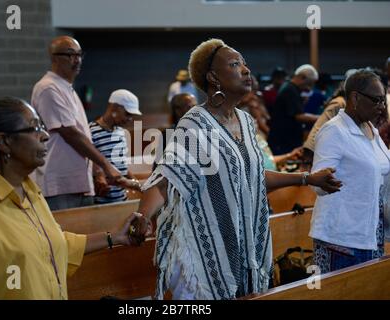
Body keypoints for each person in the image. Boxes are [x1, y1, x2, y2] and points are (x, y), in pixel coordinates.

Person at [129, 39, 341, 300]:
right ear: (213, 78)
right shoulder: (195, 124)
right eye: (234, 64)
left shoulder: (246, 121)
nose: (245, 70)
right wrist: (142, 215)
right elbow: (167, 179)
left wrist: (307, 178)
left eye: (244, 64)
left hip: (246, 242)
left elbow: (253, 177)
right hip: (206, 250)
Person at [0, 97, 138, 299]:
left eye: (43, 127)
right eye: (34, 128)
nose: (45, 135)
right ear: (4, 141)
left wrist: (115, 236)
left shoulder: (29, 190)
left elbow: (52, 246)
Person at [310, 69, 390, 274]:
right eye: (377, 100)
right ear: (355, 98)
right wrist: (325, 180)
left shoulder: (370, 129)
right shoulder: (334, 131)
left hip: (370, 233)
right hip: (341, 240)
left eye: (383, 101)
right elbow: (318, 182)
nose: (382, 107)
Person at [31, 36, 121, 211]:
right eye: (70, 55)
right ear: (54, 58)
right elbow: (71, 134)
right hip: (60, 182)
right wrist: (105, 164)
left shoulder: (67, 88)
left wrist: (97, 171)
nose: (77, 60)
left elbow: (84, 135)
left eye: (79, 55)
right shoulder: (49, 88)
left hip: (78, 181)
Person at [89, 89, 142, 204]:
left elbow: (121, 164)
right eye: (127, 114)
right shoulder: (91, 131)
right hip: (101, 200)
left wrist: (135, 182)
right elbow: (89, 164)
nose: (129, 119)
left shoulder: (121, 132)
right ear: (114, 108)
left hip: (121, 198)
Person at [268, 64, 320, 155]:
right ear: (303, 77)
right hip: (284, 140)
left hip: (285, 138)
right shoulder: (289, 89)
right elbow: (298, 116)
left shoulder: (291, 88)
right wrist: (322, 118)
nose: (309, 87)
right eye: (309, 83)